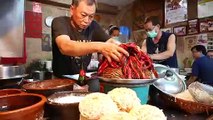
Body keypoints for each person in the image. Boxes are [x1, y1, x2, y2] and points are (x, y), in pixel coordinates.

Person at [51, 0, 129, 78]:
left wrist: (125, 48)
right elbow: (65, 46)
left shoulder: (93, 26)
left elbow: (110, 42)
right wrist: (100, 47)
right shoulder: (60, 22)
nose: (87, 21)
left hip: (82, 78)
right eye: (83, 15)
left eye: (91, 16)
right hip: (60, 80)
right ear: (72, 10)